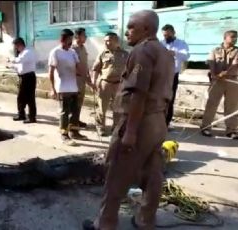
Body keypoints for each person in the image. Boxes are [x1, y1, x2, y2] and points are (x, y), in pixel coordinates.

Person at [83, 10, 174, 230]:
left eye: (132, 26)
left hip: (139, 121)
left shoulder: (142, 51)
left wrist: (130, 131)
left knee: (116, 170)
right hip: (158, 121)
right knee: (153, 173)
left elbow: (138, 94)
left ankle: (105, 223)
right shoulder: (165, 52)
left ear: (146, 29)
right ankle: (146, 220)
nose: (127, 31)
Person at [48, 29, 88, 146]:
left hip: (73, 87)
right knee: (64, 112)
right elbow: (50, 72)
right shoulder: (55, 52)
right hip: (62, 87)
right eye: (68, 40)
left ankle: (74, 132)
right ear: (62, 39)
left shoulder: (72, 52)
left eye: (71, 39)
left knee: (75, 111)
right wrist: (52, 89)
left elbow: (79, 69)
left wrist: (88, 81)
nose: (70, 42)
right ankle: (64, 135)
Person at [201, 30, 238, 140]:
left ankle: (231, 130)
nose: (235, 39)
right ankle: (206, 127)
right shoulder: (215, 50)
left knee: (231, 106)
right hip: (217, 81)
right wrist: (214, 75)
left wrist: (230, 69)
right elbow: (211, 63)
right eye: (232, 37)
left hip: (233, 81)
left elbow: (235, 64)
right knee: (211, 104)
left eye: (236, 37)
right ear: (225, 37)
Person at [92, 32, 129, 136]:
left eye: (109, 40)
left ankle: (116, 128)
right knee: (101, 108)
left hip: (119, 84)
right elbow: (95, 69)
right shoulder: (103, 54)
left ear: (116, 41)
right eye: (105, 41)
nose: (107, 43)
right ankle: (101, 128)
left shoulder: (125, 54)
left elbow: (131, 69)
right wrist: (94, 82)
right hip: (105, 84)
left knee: (117, 108)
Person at [161, 24, 190, 128]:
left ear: (173, 33)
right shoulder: (160, 43)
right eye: (165, 35)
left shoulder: (181, 43)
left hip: (173, 76)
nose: (166, 37)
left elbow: (186, 56)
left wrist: (175, 53)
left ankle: (166, 123)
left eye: (168, 35)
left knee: (169, 99)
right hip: (160, 76)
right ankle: (156, 122)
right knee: (158, 99)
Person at [8, 37, 37, 124]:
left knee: (30, 98)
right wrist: (11, 66)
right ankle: (21, 114)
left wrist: (11, 60)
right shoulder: (22, 53)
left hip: (29, 77)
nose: (15, 48)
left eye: (16, 46)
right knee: (21, 97)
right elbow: (20, 66)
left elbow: (20, 61)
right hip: (23, 77)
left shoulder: (28, 52)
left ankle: (32, 117)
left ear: (19, 44)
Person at [71, 28, 96, 128]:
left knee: (79, 102)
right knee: (74, 103)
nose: (86, 37)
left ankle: (76, 120)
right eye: (84, 35)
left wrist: (88, 77)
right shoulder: (73, 49)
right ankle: (72, 124)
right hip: (76, 79)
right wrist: (87, 80)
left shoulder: (83, 48)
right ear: (77, 36)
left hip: (83, 79)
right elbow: (73, 66)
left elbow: (85, 64)